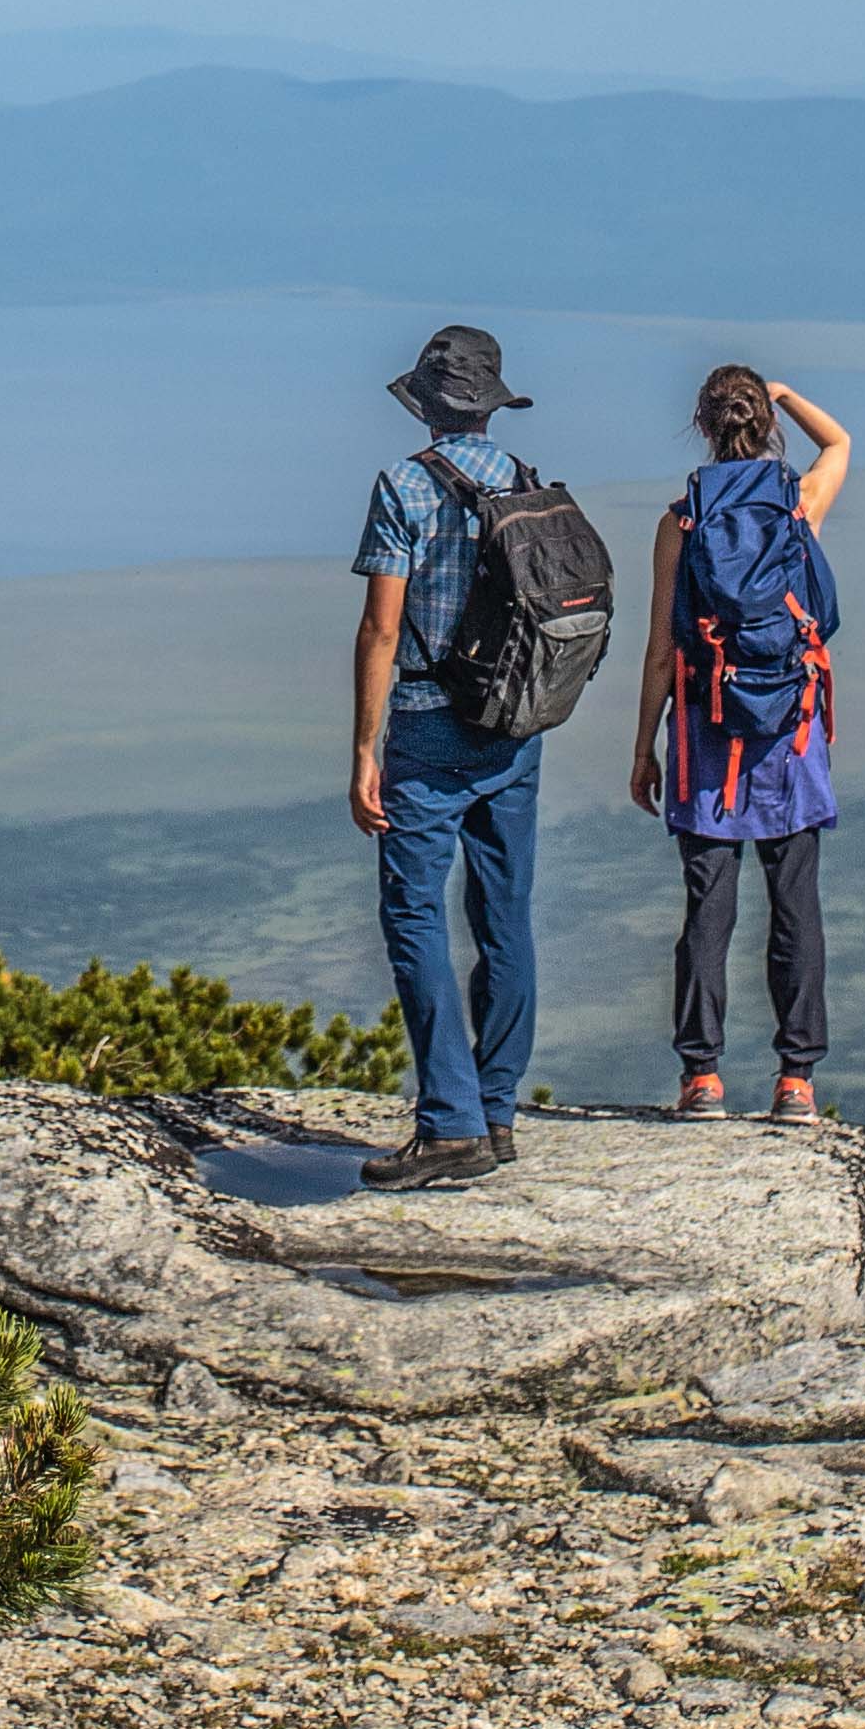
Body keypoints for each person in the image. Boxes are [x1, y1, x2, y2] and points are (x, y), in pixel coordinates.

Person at [347, 319, 552, 1187]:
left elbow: (381, 628)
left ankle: (450, 1125)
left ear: (429, 404)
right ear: (490, 405)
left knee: (415, 917)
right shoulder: (527, 482)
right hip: (513, 727)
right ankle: (496, 1112)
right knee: (505, 917)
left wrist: (365, 750)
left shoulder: (404, 485)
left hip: (429, 727)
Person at [632, 365, 849, 1123]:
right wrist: (786, 394)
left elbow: (662, 650)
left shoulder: (680, 523)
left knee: (708, 911)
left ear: (703, 424)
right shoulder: (798, 503)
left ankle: (702, 1078)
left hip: (706, 736)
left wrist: (643, 748)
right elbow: (840, 442)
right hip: (790, 734)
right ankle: (797, 1081)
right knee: (796, 907)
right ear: (766, 422)